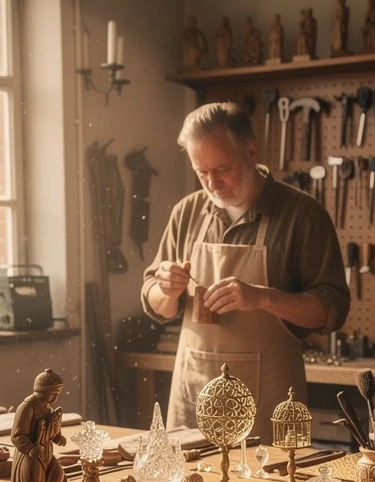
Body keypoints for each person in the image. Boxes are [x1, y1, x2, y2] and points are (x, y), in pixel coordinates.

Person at [141, 102, 349, 436]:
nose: (212, 183)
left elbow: (331, 311)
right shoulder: (187, 212)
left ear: (251, 152)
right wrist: (165, 290)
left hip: (270, 405)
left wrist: (262, 298)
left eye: (222, 169)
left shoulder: (302, 215)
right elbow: (154, 302)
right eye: (201, 172)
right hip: (194, 399)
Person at [9, 369, 67, 482]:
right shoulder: (27, 407)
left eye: (57, 394)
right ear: (43, 390)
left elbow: (49, 429)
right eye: (54, 393)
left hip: (45, 451)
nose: (55, 398)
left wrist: (57, 437)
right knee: (31, 476)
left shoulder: (47, 408)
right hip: (29, 453)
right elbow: (17, 435)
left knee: (56, 473)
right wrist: (29, 448)